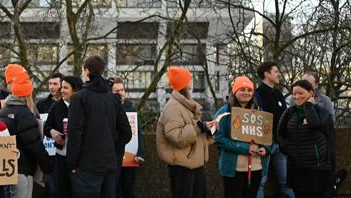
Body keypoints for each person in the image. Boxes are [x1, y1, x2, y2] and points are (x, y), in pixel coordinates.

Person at [67, 56, 132, 198]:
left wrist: (72, 163)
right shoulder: (112, 98)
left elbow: (74, 134)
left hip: (86, 165)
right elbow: (126, 132)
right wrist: (111, 148)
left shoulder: (79, 98)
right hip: (109, 163)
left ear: (87, 71)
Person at [156, 66, 217, 198]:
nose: (192, 83)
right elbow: (176, 137)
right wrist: (199, 127)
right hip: (182, 168)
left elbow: (196, 137)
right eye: (190, 79)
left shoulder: (187, 105)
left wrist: (209, 131)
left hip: (195, 165)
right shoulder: (173, 107)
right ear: (184, 84)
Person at [214, 76, 270, 198]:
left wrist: (265, 148)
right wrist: (244, 148)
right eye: (242, 89)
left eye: (249, 90)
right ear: (235, 91)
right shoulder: (223, 113)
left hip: (256, 167)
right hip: (233, 169)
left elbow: (268, 137)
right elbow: (218, 138)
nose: (246, 92)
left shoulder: (259, 111)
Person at [0, 72, 52, 198]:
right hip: (22, 169)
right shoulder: (24, 114)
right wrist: (48, 167)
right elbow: (34, 145)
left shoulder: (4, 111)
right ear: (28, 94)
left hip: (6, 169)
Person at [278, 79, 334, 198]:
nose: (297, 97)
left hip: (317, 169)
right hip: (296, 168)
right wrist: (288, 150)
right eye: (294, 94)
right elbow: (280, 134)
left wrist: (308, 105)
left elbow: (314, 124)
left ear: (311, 93)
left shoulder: (322, 113)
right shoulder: (289, 113)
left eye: (301, 93)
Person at [254, 61, 294, 198]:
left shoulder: (278, 94)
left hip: (280, 144)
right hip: (265, 144)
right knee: (261, 182)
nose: (279, 75)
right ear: (266, 74)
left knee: (286, 182)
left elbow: (285, 117)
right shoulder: (257, 94)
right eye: (276, 71)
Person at [44, 75, 82, 198]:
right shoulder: (56, 106)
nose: (62, 90)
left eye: (66, 88)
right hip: (62, 157)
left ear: (75, 90)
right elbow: (46, 127)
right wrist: (52, 132)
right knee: (62, 191)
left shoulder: (84, 106)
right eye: (62, 87)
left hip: (80, 158)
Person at [110, 78, 145, 198]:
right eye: (116, 91)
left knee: (128, 189)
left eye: (122, 90)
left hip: (130, 159)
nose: (120, 93)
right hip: (113, 157)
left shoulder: (131, 108)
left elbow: (138, 133)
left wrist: (140, 153)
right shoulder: (107, 108)